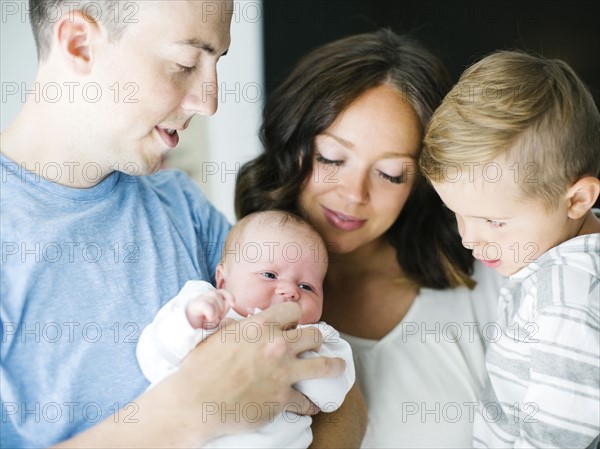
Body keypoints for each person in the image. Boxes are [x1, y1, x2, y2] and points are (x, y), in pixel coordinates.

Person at [0, 2, 359, 448]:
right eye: (184, 63)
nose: (209, 102)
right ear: (79, 43)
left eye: (216, 64)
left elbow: (341, 398)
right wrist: (188, 409)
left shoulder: (181, 205)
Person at [235, 28, 503, 448]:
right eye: (332, 158)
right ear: (294, 145)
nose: (354, 194)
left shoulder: (486, 285)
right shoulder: (229, 279)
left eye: (391, 173)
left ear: (420, 182)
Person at [420, 51, 600, 448]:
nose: (468, 238)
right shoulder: (551, 257)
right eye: (458, 215)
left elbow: (553, 439)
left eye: (493, 221)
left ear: (577, 200)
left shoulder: (567, 297)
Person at [136, 210, 355, 448]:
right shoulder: (202, 306)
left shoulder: (320, 337)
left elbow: (332, 398)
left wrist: (292, 350)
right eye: (270, 275)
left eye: (307, 286)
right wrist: (190, 322)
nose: (290, 291)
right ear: (222, 280)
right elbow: (153, 358)